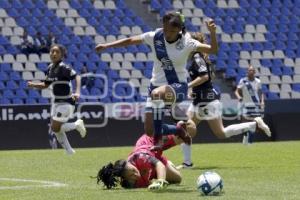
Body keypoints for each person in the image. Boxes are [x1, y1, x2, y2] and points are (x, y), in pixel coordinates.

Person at [95, 12, 218, 150]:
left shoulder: (187, 42)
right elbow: (130, 40)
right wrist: (107, 46)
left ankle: (158, 141)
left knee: (157, 95)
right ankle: (178, 130)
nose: (167, 34)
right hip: (155, 87)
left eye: (172, 31)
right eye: (165, 29)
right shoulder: (155, 36)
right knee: (149, 130)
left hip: (178, 87)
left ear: (179, 29)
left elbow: (213, 50)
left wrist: (212, 33)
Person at [177, 33, 271, 169]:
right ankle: (187, 163)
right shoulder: (198, 57)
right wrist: (192, 90)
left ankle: (254, 124)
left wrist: (188, 86)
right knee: (186, 130)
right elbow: (204, 79)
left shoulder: (197, 57)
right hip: (200, 100)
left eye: (188, 41)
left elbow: (203, 77)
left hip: (206, 101)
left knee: (220, 133)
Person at [96, 120, 196, 190]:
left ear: (130, 163)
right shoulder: (129, 183)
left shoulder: (140, 158)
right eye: (131, 176)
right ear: (125, 178)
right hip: (154, 157)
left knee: (191, 131)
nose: (136, 175)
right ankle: (166, 164)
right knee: (178, 179)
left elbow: (159, 165)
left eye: (133, 171)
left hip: (153, 141)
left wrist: (160, 181)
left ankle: (179, 125)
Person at [27, 44, 87, 155]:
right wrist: (33, 84)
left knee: (55, 127)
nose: (54, 54)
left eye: (57, 52)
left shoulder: (64, 68)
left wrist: (78, 92)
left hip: (67, 102)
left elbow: (77, 77)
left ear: (62, 55)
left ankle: (77, 125)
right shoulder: (50, 68)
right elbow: (45, 84)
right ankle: (69, 151)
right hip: (57, 103)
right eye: (52, 51)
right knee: (56, 128)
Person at [234, 65, 265, 144]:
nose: (250, 72)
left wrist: (262, 101)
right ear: (247, 72)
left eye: (252, 70)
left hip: (255, 105)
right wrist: (239, 97)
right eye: (249, 70)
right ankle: (245, 137)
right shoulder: (243, 81)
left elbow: (261, 93)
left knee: (255, 123)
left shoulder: (258, 81)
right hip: (245, 104)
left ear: (254, 72)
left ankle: (250, 141)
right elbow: (236, 91)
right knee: (244, 123)